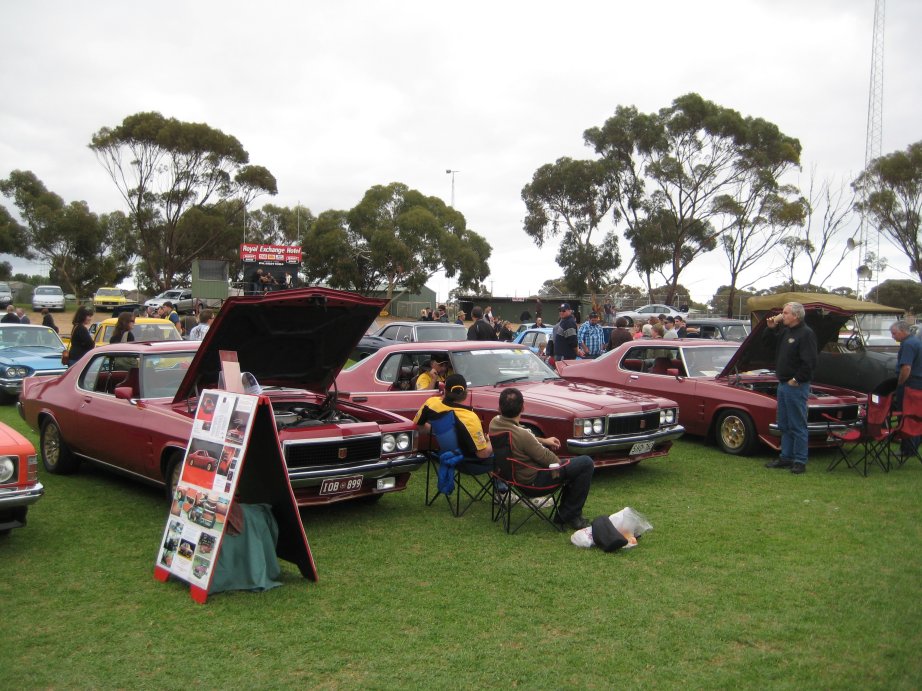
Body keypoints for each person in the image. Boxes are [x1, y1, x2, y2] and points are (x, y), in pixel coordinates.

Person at [489, 387, 594, 530]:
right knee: (585, 463)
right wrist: (558, 459)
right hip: (533, 483)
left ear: (499, 408)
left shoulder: (494, 423)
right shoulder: (522, 435)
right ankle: (569, 515)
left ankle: (568, 513)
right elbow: (550, 459)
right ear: (523, 407)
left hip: (511, 478)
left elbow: (524, 437)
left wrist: (544, 441)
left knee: (573, 465)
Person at [763, 302, 817, 474]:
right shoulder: (786, 331)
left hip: (796, 385)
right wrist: (770, 328)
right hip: (783, 383)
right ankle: (786, 457)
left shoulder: (806, 334)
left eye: (786, 313)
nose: (782, 315)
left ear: (796, 315)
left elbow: (809, 361)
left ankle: (800, 460)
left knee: (797, 423)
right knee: (784, 423)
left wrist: (797, 379)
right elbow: (768, 346)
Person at [414, 374, 492, 459]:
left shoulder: (431, 403)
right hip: (467, 461)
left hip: (444, 454)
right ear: (466, 393)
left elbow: (417, 425)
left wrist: (440, 430)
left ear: (445, 391)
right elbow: (482, 454)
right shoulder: (469, 417)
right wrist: (491, 441)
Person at [890, 320, 922, 459]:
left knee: (906, 415)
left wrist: (900, 384)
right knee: (916, 416)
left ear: (903, 331)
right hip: (918, 384)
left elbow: (906, 367)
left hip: (910, 384)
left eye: (894, 333)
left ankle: (907, 448)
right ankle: (912, 446)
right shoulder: (916, 341)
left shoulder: (909, 344)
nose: (893, 336)